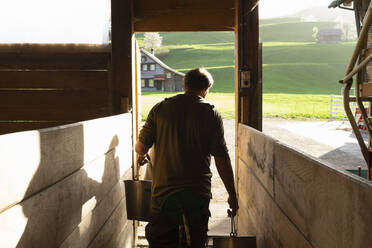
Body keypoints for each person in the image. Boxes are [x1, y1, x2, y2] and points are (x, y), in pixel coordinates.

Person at [135, 68, 238, 247]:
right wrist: (232, 194)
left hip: (164, 196)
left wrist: (144, 152)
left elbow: (141, 147)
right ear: (206, 90)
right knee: (195, 242)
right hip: (197, 195)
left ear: (184, 86)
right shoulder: (210, 113)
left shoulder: (160, 109)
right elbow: (222, 158)